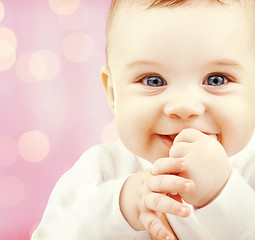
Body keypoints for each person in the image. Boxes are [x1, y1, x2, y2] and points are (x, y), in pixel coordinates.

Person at [32, 0, 255, 239]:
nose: (183, 107)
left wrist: (222, 194)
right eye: (153, 81)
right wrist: (120, 207)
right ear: (114, 94)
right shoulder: (101, 171)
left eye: (216, 80)